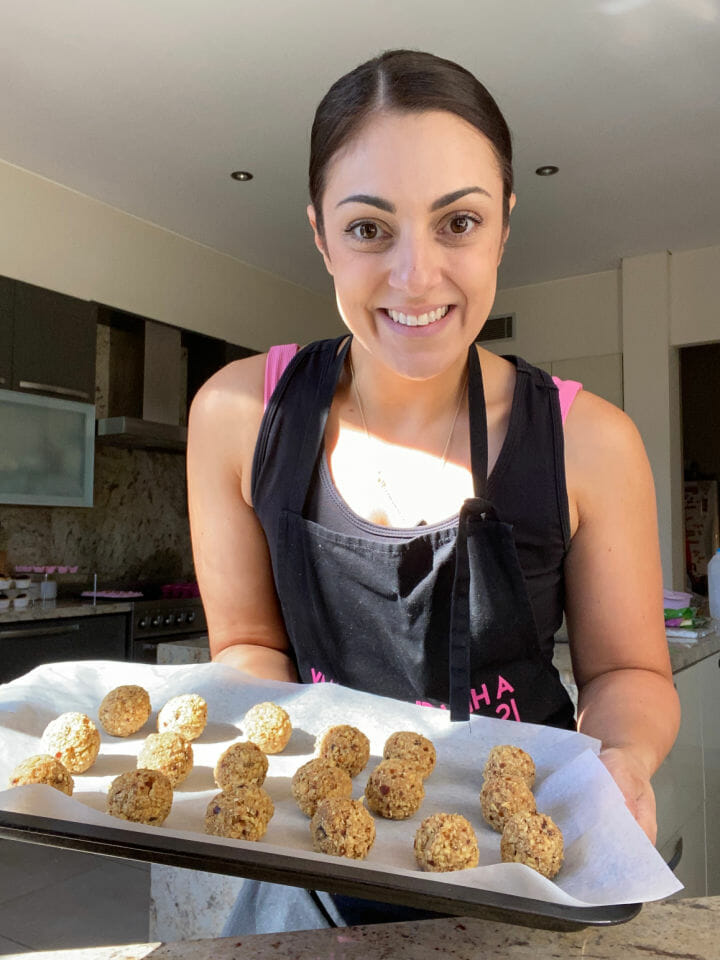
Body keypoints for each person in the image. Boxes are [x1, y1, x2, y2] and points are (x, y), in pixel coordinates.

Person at [187, 49, 680, 933]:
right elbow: (249, 646)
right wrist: (266, 745)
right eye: (369, 228)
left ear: (503, 227)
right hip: (312, 870)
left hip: (525, 867)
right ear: (319, 234)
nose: (415, 276)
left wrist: (622, 757)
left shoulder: (590, 442)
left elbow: (628, 671)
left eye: (458, 222)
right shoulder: (237, 416)